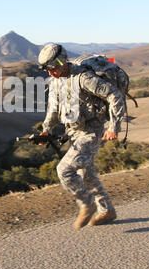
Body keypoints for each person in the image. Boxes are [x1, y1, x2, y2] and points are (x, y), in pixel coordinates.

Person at [38, 43, 126, 229]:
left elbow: (114, 95)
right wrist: (46, 129)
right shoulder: (55, 82)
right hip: (73, 132)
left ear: (62, 62)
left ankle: (87, 203)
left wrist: (113, 126)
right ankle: (107, 210)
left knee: (64, 170)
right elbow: (53, 109)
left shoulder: (84, 78)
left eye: (53, 68)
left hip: (91, 132)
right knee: (86, 174)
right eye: (48, 70)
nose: (51, 73)